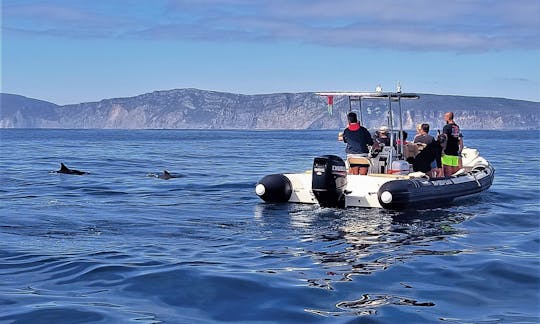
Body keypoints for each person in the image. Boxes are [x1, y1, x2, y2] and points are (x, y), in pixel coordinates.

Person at [441, 112, 463, 176]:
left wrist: (442, 149)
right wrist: (460, 150)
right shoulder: (456, 127)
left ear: (448, 117)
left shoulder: (446, 127)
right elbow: (459, 139)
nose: (444, 118)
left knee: (447, 172)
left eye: (445, 117)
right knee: (454, 171)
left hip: (447, 151)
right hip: (455, 151)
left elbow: (444, 138)